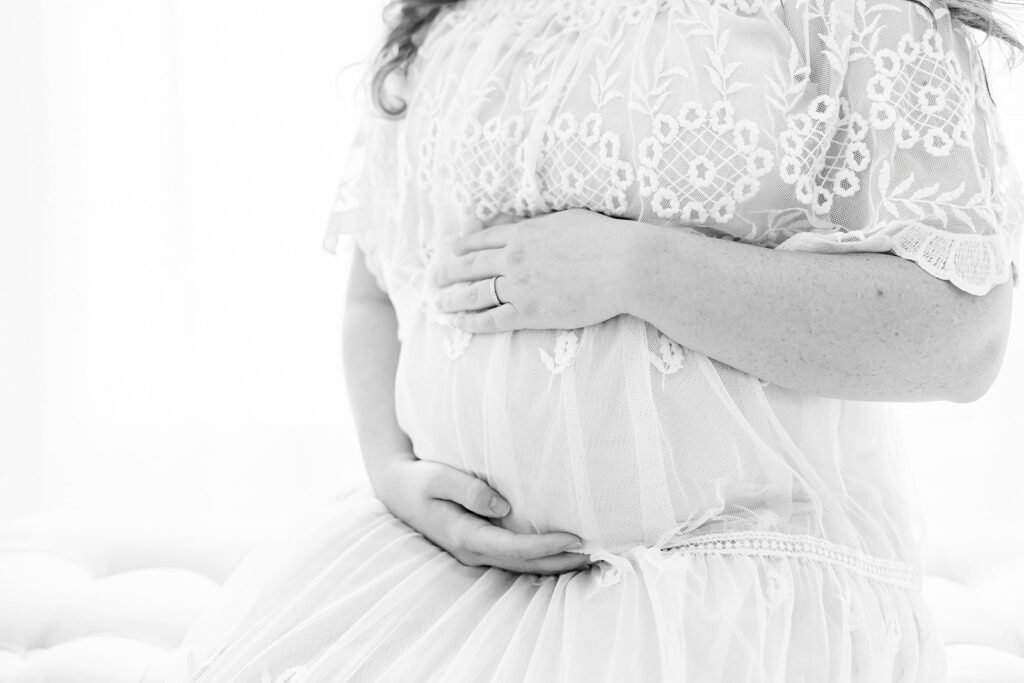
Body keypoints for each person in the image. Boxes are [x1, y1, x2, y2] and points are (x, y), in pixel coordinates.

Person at [169, 0, 1023, 680]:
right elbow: (379, 290)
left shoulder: (851, 12)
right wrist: (392, 469)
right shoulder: (454, 15)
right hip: (438, 576)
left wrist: (634, 267)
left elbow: (959, 335)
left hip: (730, 603)